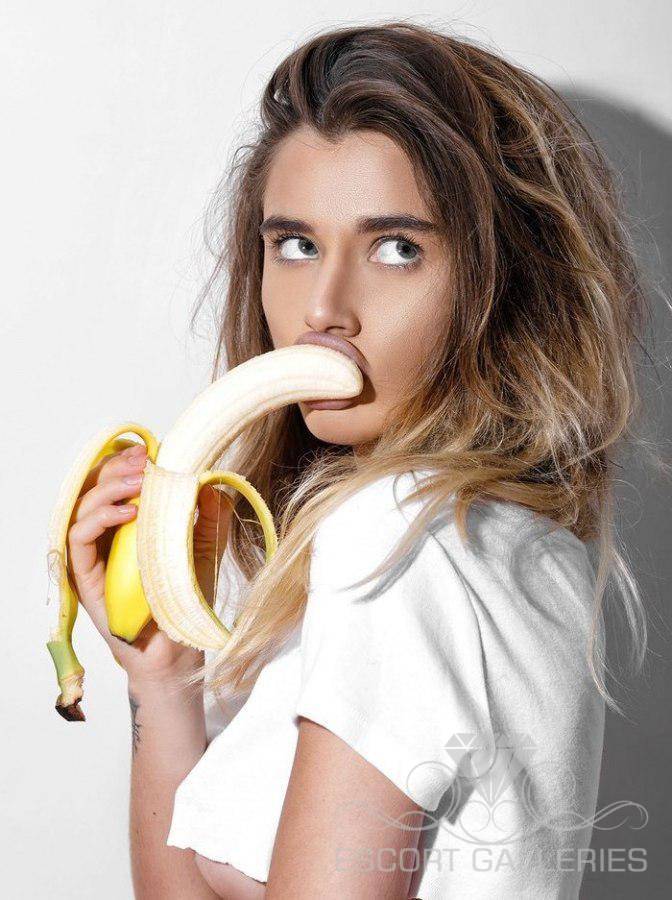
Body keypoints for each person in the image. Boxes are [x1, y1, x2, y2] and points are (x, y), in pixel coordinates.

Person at [65, 21, 653, 899]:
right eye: (296, 245)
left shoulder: (400, 537)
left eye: (396, 248)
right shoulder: (502, 541)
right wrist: (162, 678)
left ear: (501, 284)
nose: (324, 309)